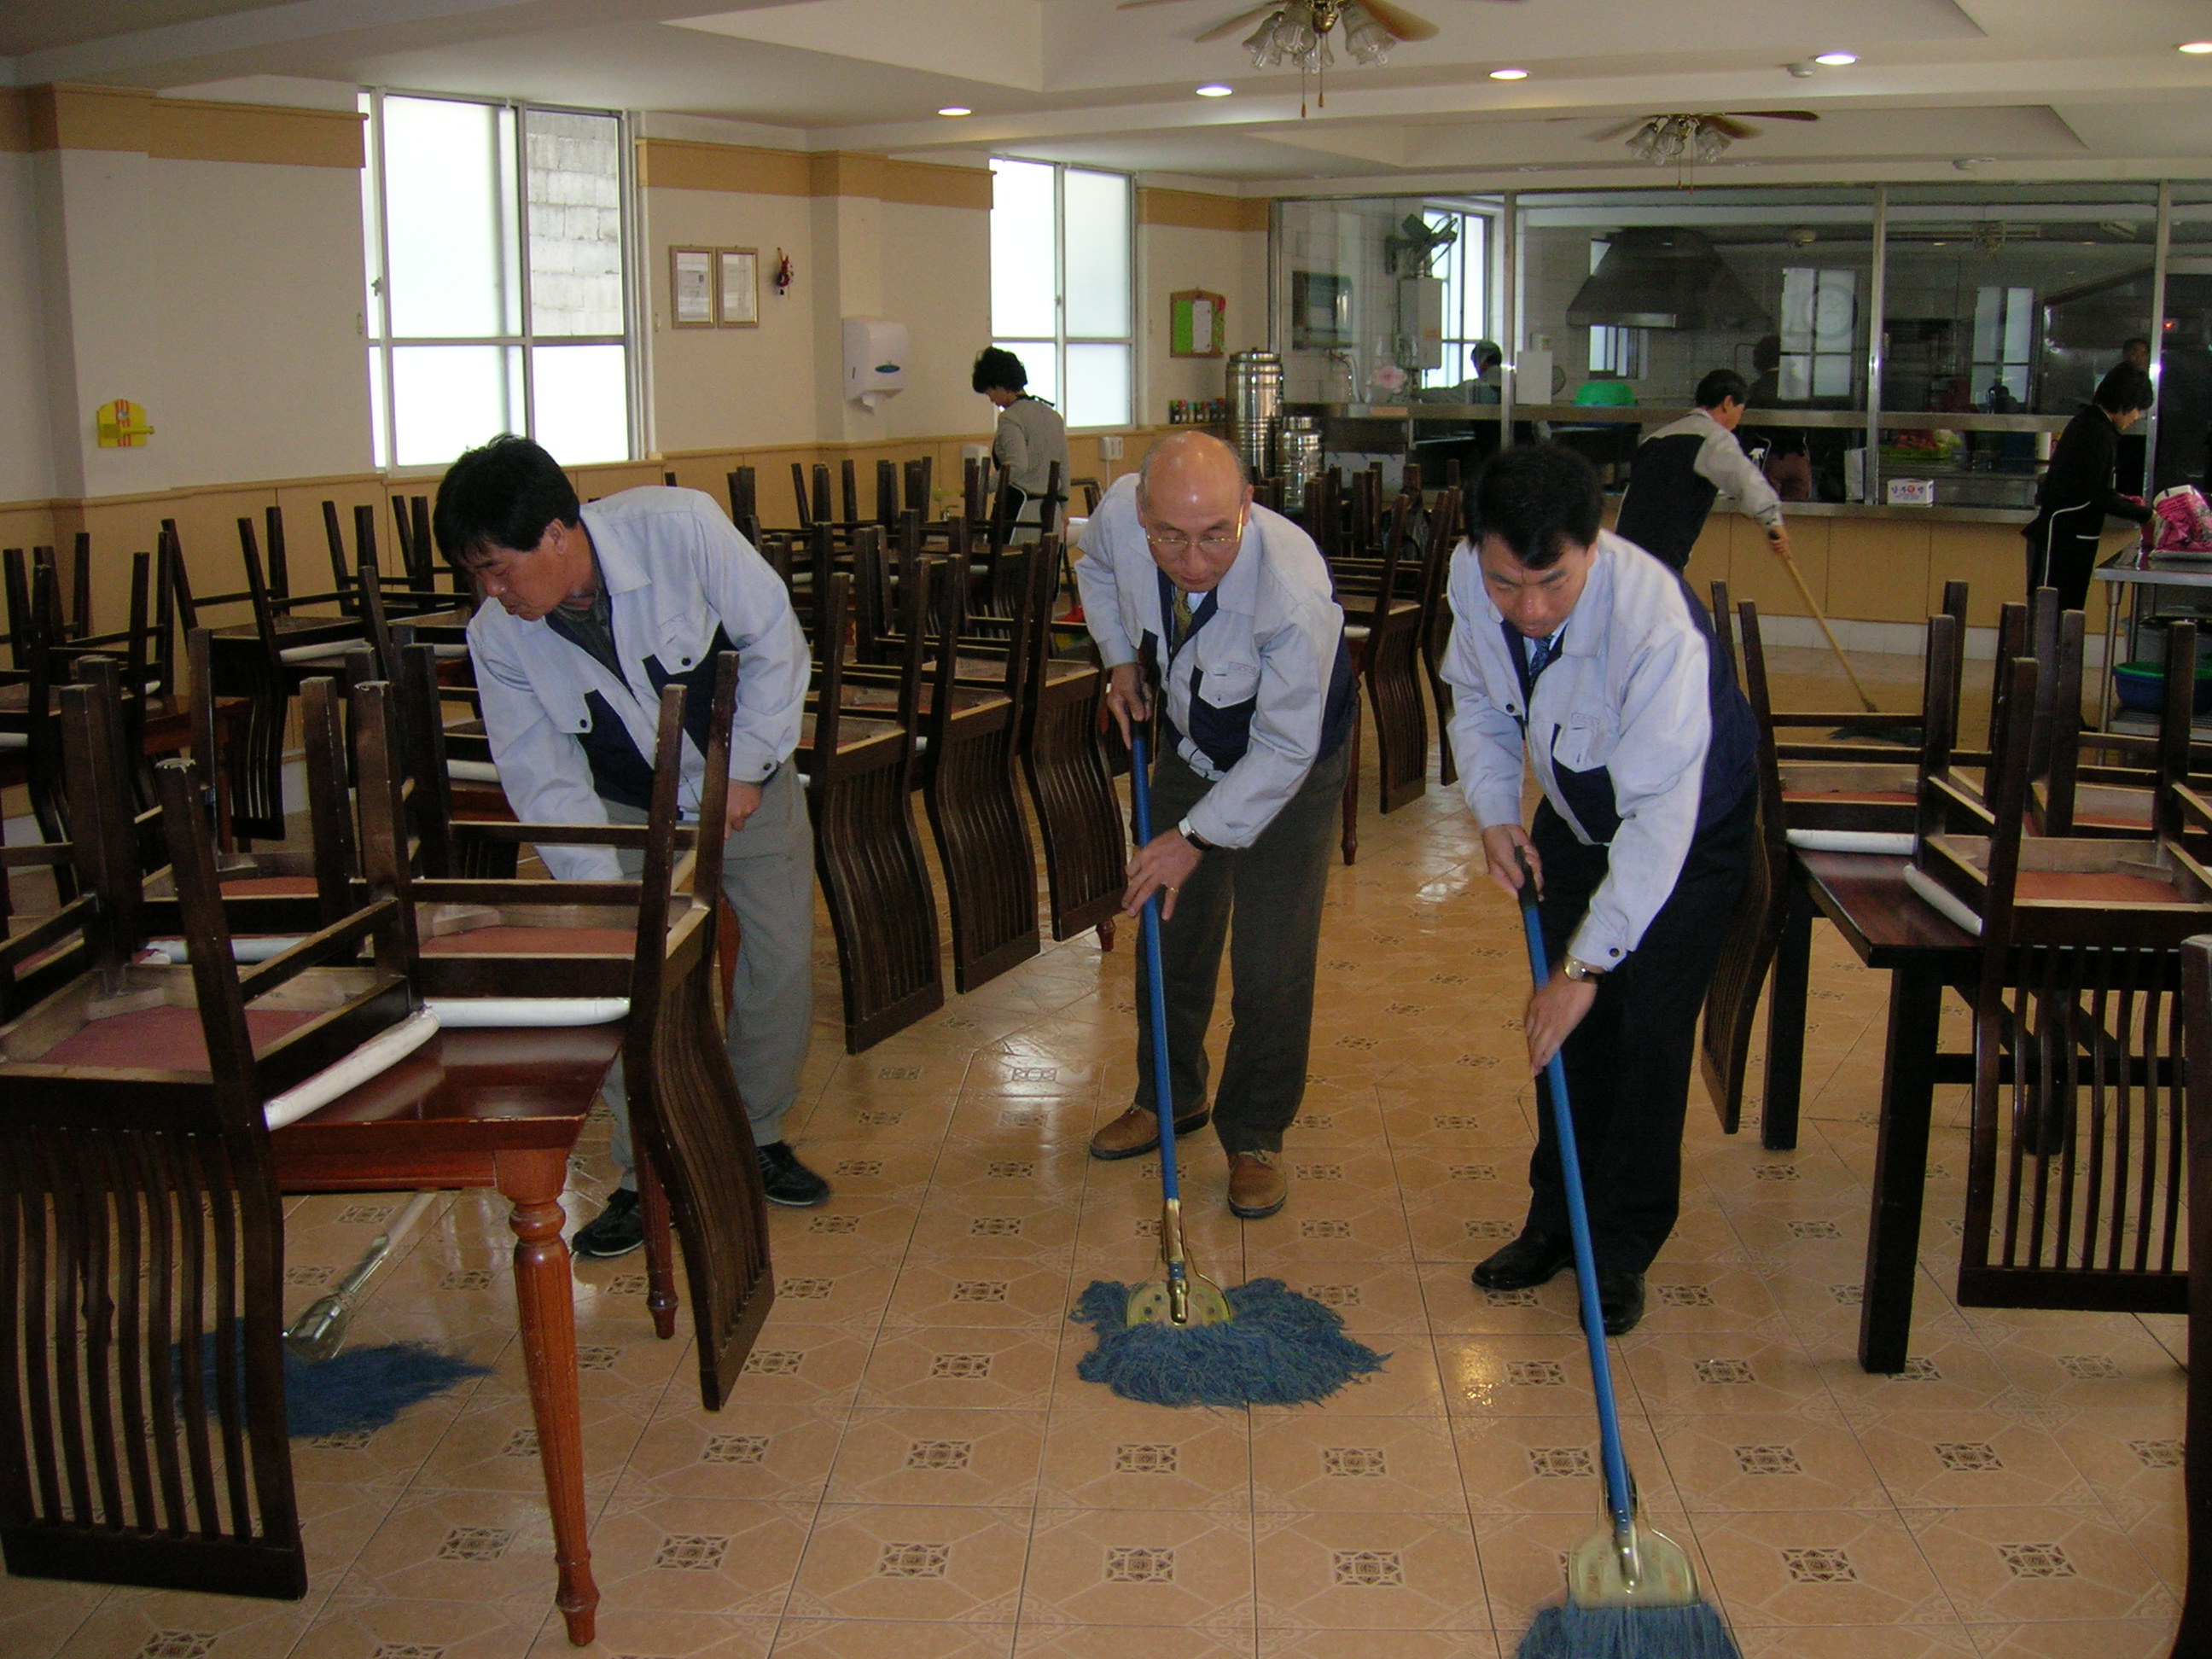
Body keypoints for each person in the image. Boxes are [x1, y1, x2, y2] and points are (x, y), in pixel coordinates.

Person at [432, 435, 831, 1258]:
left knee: (783, 950)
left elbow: (774, 643)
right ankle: (639, 1166)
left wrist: (748, 769)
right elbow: (540, 775)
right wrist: (603, 898)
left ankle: (753, 1134)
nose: (492, 591)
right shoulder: (498, 638)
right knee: (621, 974)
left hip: (746, 771)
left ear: (557, 532)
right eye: (477, 576)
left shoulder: (680, 529)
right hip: (618, 801)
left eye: (499, 568)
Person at [1443, 444, 1757, 1336]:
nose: (1529, 609)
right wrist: (1497, 811)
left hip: (1688, 828)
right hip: (1578, 817)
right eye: (1509, 584)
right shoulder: (1476, 581)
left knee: (1646, 1030)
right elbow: (1476, 699)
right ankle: (1556, 1220)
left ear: (1593, 546)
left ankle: (1620, 1247)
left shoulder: (1655, 622)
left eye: (1552, 582)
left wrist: (1584, 965)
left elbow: (1660, 822)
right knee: (1564, 1042)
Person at [1074, 430, 1357, 1220]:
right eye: (1169, 536)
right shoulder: (1118, 520)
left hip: (1289, 768)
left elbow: (1282, 749)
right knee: (1170, 931)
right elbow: (1094, 569)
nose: (1192, 562)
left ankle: (1256, 1134)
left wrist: (1195, 838)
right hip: (1192, 742)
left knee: (1272, 955)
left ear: (1247, 508)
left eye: (1214, 538)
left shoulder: (1293, 592)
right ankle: (1169, 1099)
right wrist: (1118, 659)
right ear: (1141, 511)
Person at [1612, 368, 1791, 575]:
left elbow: (1639, 494)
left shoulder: (1654, 440)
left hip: (1626, 552)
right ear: (1728, 403)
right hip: (1664, 558)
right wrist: (1773, 522)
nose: (1737, 421)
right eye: (1740, 411)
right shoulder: (1713, 437)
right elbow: (1746, 479)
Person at [2022, 363, 2156, 611]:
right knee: (2054, 615)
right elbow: (2096, 495)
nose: (2137, 416)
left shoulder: (2094, 424)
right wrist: (2146, 515)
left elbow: (2091, 486)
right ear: (2123, 402)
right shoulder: (2095, 432)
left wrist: (2124, 501)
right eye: (2137, 409)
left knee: (2064, 613)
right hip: (2062, 541)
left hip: (2073, 539)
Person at [973, 346, 1070, 540]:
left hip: (1021, 516)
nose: (991, 399)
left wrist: (982, 487)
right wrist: (1063, 509)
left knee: (1012, 570)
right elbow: (1064, 469)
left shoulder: (1010, 418)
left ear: (1000, 385)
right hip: (1053, 513)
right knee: (1047, 570)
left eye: (989, 391)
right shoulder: (1053, 416)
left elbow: (1017, 465)